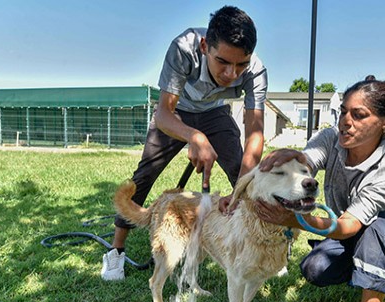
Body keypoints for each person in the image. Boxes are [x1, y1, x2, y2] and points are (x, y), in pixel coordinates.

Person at [255, 78, 385, 302]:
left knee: (377, 227)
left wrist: (296, 219)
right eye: (343, 112)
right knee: (314, 268)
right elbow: (304, 166)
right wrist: (287, 162)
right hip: (356, 229)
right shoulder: (331, 139)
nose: (345, 122)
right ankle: (373, 270)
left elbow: (350, 225)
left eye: (359, 115)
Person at [101, 6, 267, 281]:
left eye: (241, 64)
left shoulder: (257, 71)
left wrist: (240, 189)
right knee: (145, 174)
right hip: (177, 112)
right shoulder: (183, 47)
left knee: (243, 171)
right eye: (223, 62)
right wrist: (194, 136)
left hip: (214, 113)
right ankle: (116, 251)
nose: (231, 74)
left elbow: (255, 134)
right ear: (204, 46)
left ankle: (251, 240)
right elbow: (163, 113)